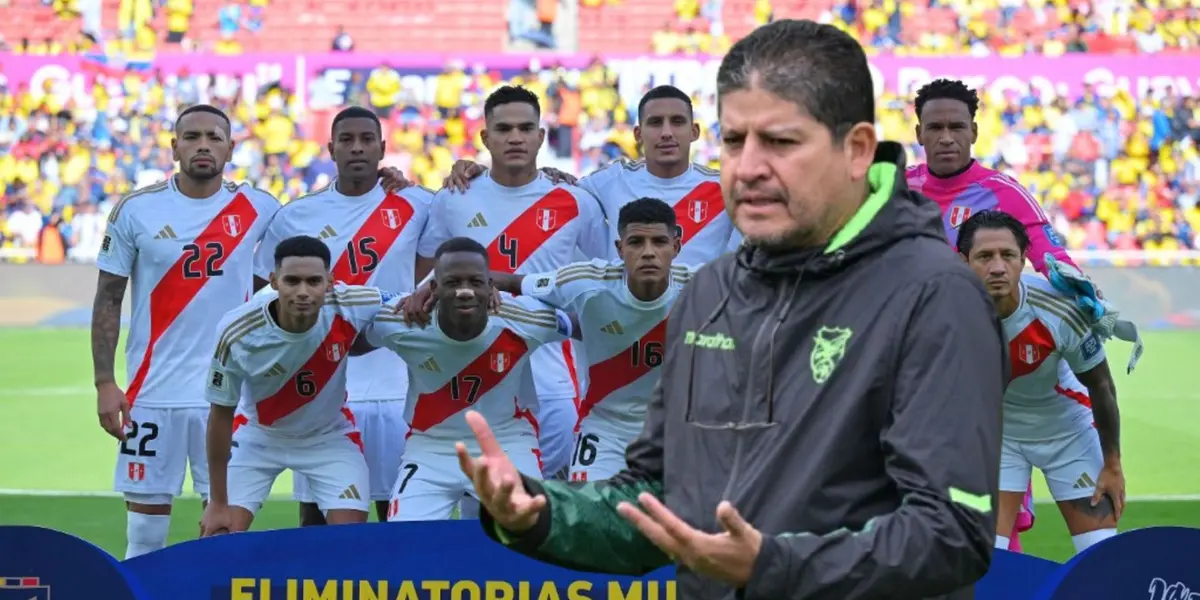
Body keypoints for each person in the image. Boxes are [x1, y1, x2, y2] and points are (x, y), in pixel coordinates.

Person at [458, 19, 1004, 600]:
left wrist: (772, 565)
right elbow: (656, 500)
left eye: (781, 142)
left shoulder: (934, 294)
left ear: (856, 150)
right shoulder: (711, 293)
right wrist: (539, 512)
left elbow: (952, 534)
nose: (749, 167)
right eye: (735, 140)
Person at [92, 104, 282, 559]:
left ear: (231, 149)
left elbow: (316, 232)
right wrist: (104, 382)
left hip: (228, 395)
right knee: (144, 532)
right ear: (174, 146)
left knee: (224, 530)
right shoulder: (136, 210)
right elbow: (108, 300)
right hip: (152, 392)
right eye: (192, 136)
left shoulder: (259, 208)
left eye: (214, 137)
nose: (203, 145)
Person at [908, 78, 1083, 551]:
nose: (946, 136)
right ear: (919, 133)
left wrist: (1079, 291)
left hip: (990, 375)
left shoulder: (1004, 193)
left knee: (994, 515)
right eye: (935, 127)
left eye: (956, 126)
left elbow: (1052, 257)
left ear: (974, 132)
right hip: (916, 374)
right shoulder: (898, 194)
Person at [252, 106, 436, 526]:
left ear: (382, 148)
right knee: (318, 523)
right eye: (347, 140)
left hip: (399, 386)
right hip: (324, 393)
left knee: (398, 518)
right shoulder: (296, 215)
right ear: (330, 148)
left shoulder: (419, 204)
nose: (357, 148)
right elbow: (266, 292)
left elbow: (446, 255)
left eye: (366, 139)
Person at [417, 85, 612, 481]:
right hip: (473, 374)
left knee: (550, 505)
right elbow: (424, 281)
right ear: (485, 137)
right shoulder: (453, 198)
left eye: (526, 128)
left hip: (554, 376)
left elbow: (601, 284)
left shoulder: (576, 201)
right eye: (504, 129)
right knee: (481, 505)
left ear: (542, 136)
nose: (516, 137)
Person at [358, 237, 577, 521]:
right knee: (405, 543)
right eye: (452, 282)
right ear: (433, 289)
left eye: (475, 282)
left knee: (528, 531)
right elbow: (353, 343)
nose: (464, 292)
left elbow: (582, 324)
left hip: (507, 443)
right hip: (430, 447)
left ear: (490, 286)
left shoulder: (525, 319)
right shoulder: (403, 322)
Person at [488, 197, 696, 481]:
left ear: (676, 246)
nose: (648, 253)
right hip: (605, 426)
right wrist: (438, 285)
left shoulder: (704, 287)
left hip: (677, 429)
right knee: (590, 518)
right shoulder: (586, 282)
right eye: (635, 242)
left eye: (659, 242)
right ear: (619, 249)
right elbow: (514, 282)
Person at [956, 210, 1124, 554]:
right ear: (962, 262)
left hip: (1068, 434)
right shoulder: (941, 314)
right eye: (985, 256)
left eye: (1008, 255)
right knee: (984, 561)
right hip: (997, 440)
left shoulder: (1058, 308)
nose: (998, 267)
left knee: (1102, 556)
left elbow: (1102, 386)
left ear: (1023, 261)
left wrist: (1112, 464)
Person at [200, 236, 385, 535]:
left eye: (314, 281)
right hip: (257, 437)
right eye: (292, 281)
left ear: (330, 282)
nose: (303, 292)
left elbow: (413, 301)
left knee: (350, 545)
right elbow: (220, 416)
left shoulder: (352, 302)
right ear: (273, 281)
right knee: (218, 540)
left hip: (329, 438)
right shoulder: (237, 331)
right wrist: (217, 501)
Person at [444, 85, 742, 264]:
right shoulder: (606, 183)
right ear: (638, 133)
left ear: (694, 132)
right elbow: (535, 186)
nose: (666, 133)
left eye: (677, 122)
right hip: (626, 335)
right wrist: (480, 173)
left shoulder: (725, 188)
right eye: (655, 123)